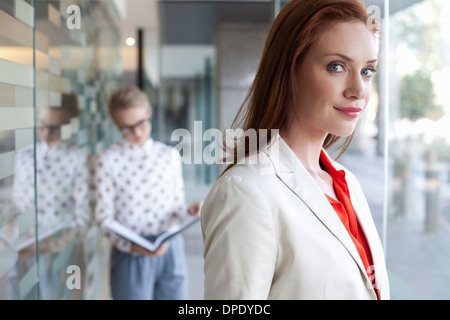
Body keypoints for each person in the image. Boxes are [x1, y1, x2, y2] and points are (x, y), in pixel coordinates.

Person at [201, 0, 390, 300]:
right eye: (337, 66)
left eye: (367, 71)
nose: (359, 90)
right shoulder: (247, 192)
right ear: (288, 70)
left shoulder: (347, 183)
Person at [94, 86, 203, 300]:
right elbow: (103, 218)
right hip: (130, 255)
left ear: (148, 113)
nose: (136, 132)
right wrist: (132, 246)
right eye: (126, 127)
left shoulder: (169, 156)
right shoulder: (107, 161)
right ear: (117, 126)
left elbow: (177, 208)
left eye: (140, 123)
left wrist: (189, 210)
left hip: (170, 249)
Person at [10, 93, 90, 299]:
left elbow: (83, 218)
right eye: (42, 124)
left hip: (62, 255)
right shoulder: (24, 157)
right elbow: (16, 205)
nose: (46, 132)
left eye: (54, 128)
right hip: (23, 253)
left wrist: (50, 245)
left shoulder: (79, 159)